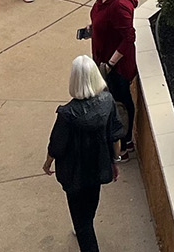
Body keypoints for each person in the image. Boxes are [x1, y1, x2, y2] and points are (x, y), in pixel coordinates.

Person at [42, 55, 126, 252]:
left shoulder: (67, 114)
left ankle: (84, 232)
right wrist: (114, 161)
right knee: (89, 209)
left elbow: (56, 145)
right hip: (98, 169)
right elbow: (115, 136)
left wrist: (47, 163)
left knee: (82, 223)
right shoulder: (107, 101)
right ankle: (84, 224)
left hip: (73, 175)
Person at [79, 0, 139, 157]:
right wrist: (93, 28)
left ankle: (125, 143)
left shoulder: (120, 5)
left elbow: (128, 37)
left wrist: (111, 64)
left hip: (117, 67)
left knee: (121, 103)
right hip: (103, 59)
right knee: (112, 100)